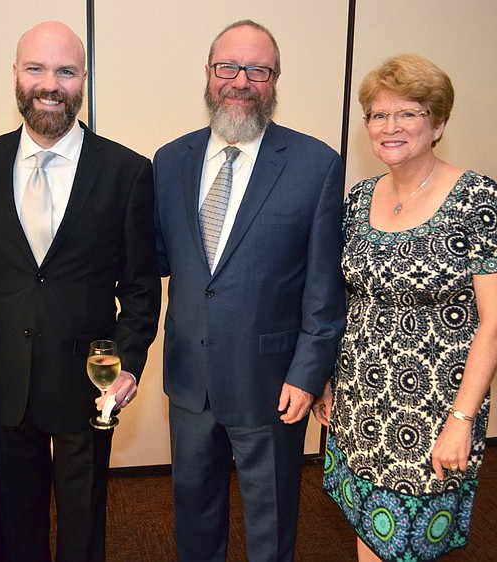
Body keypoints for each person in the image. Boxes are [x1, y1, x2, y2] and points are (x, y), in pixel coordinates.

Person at [0, 21, 161, 562]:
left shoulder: (127, 172)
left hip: (87, 384)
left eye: (65, 71)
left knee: (83, 523)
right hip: (5, 378)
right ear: (16, 75)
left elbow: (141, 289)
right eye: (37, 69)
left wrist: (128, 366)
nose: (50, 84)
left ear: (83, 80)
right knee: (15, 520)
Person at [313, 54, 497, 561]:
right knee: (368, 526)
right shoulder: (360, 198)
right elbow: (345, 295)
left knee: (407, 544)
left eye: (408, 113)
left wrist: (462, 419)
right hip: (360, 400)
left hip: (433, 407)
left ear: (438, 123)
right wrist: (326, 378)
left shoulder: (476, 197)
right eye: (378, 115)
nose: (390, 127)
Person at [154, 20, 346, 561]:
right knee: (194, 514)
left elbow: (323, 288)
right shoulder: (170, 161)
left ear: (275, 79)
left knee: (271, 523)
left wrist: (308, 374)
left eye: (257, 70)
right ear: (210, 75)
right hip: (190, 382)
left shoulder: (316, 166)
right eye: (228, 67)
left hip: (271, 386)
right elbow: (158, 262)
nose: (241, 81)